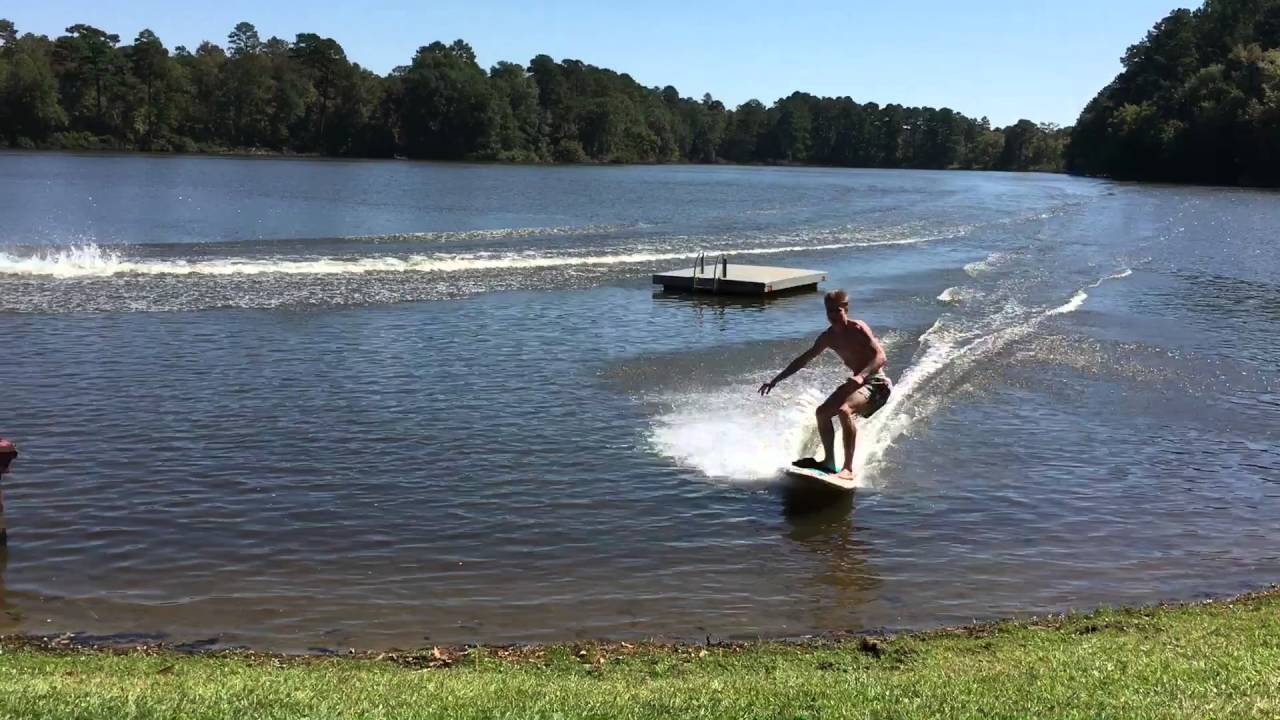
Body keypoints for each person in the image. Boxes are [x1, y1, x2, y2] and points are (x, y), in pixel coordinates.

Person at [759, 290, 892, 481]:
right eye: (829, 312)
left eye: (837, 311)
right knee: (822, 413)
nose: (833, 316)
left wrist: (862, 376)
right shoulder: (828, 337)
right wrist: (775, 380)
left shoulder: (858, 328)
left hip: (877, 383)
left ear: (845, 309)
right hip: (857, 384)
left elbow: (881, 356)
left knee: (845, 411)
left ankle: (848, 469)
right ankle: (829, 462)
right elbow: (803, 360)